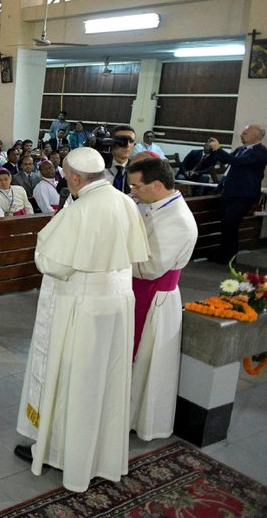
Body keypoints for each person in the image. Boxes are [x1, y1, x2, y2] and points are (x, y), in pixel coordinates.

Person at [15, 147, 149, 493]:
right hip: (118, 302)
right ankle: (101, 455)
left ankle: (65, 455)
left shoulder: (81, 209)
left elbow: (52, 262)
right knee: (107, 379)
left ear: (75, 178)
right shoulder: (125, 202)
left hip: (83, 306)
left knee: (75, 381)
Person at [126, 157, 198, 440]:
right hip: (141, 293)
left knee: (146, 363)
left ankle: (138, 419)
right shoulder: (154, 205)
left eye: (136, 186)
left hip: (155, 299)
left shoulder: (178, 219)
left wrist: (112, 255)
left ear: (156, 185)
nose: (133, 192)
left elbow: (150, 266)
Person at [207, 124, 267, 263]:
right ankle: (224, 255)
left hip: (243, 194)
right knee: (225, 224)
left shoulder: (260, 151)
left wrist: (219, 149)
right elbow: (227, 160)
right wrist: (214, 151)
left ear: (256, 136)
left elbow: (237, 162)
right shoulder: (241, 149)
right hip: (230, 191)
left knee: (231, 223)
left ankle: (229, 257)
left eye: (245, 133)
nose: (241, 134)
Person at [104, 125, 137, 193]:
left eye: (131, 141)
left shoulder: (137, 170)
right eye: (122, 140)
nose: (127, 145)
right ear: (111, 141)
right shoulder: (99, 167)